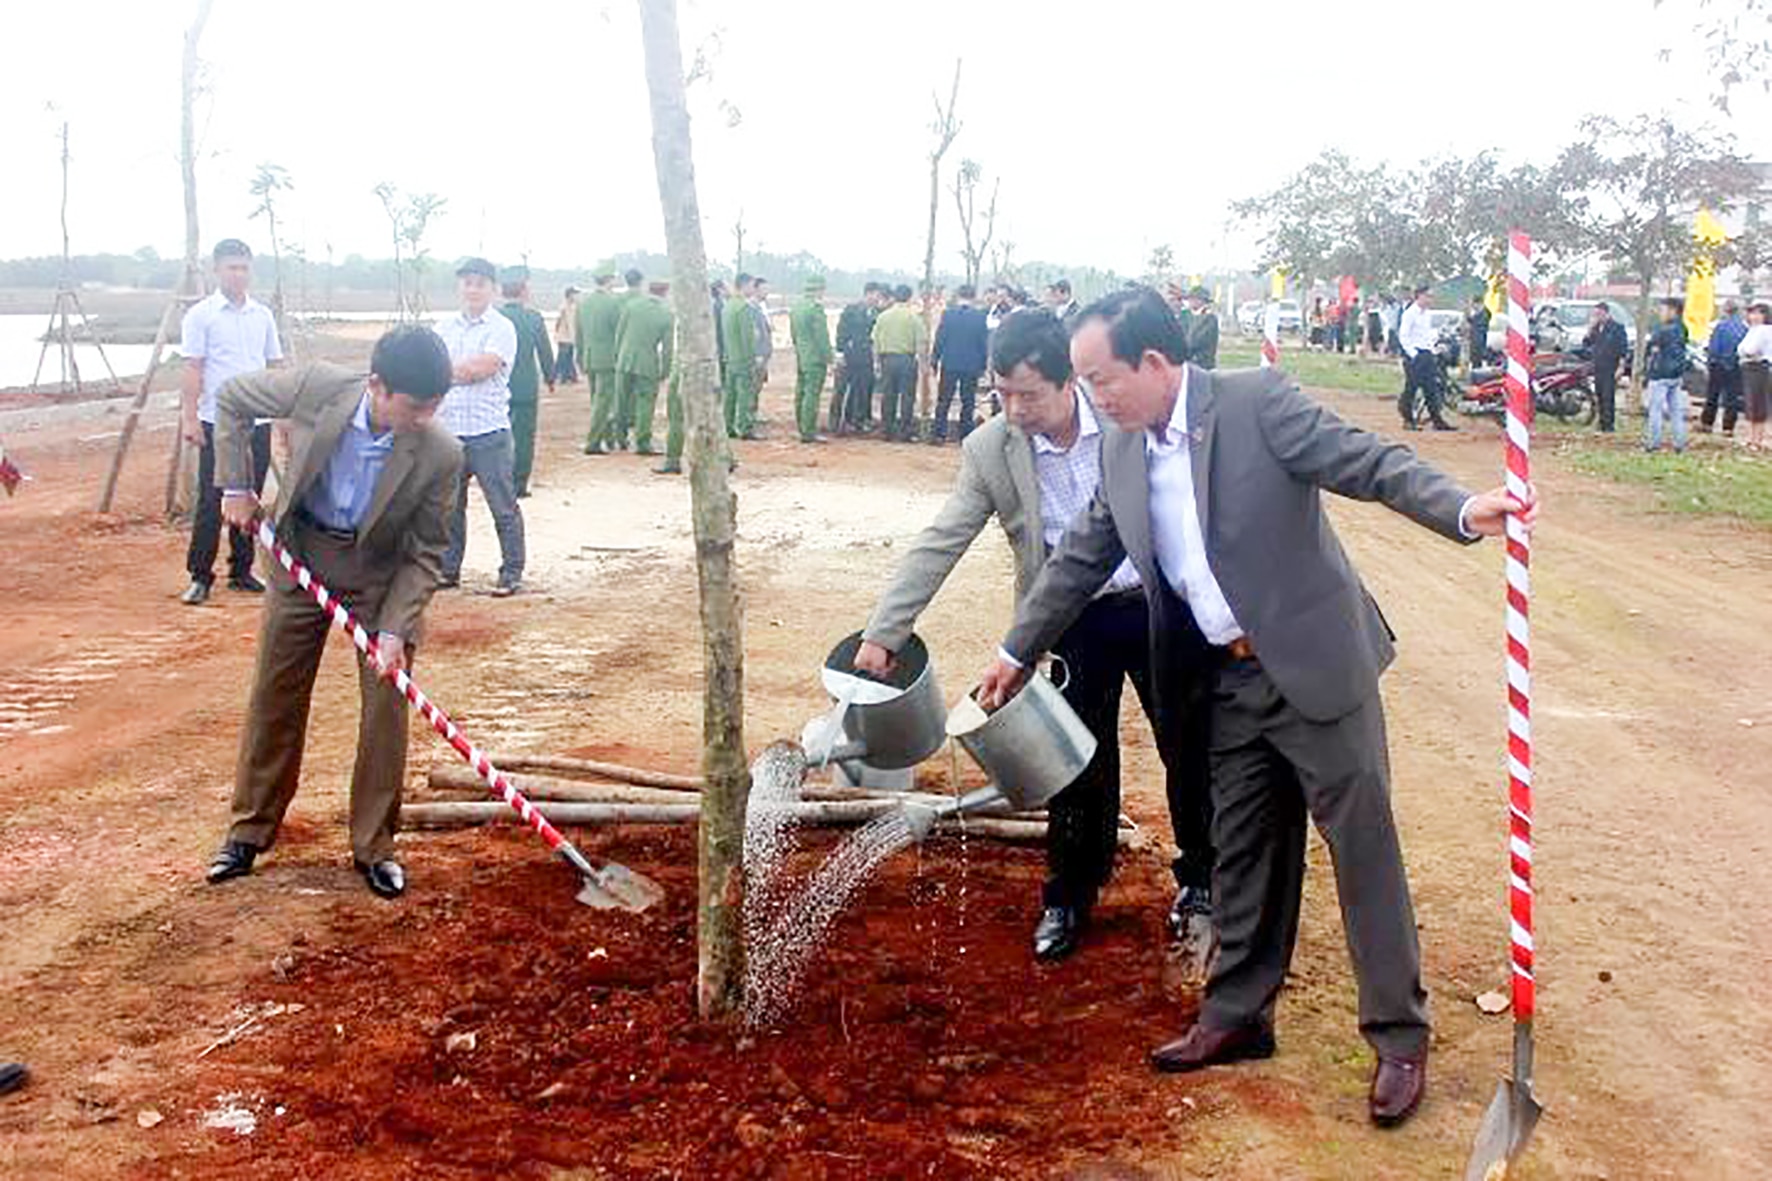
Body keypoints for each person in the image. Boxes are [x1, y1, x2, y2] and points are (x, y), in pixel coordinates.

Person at [975, 287, 1536, 1129]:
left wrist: (1459, 506)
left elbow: (1365, 461)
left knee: (1361, 847)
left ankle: (1398, 1034)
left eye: (1100, 378)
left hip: (1314, 664)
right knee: (1242, 847)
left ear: (1155, 365)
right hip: (1228, 679)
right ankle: (1238, 1012)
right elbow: (1085, 550)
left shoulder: (1256, 404)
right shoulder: (1123, 449)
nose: (1091, 395)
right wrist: (1017, 649)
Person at [856, 308, 1215, 962]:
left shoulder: (1126, 419)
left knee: (1187, 745)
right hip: (1071, 615)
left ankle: (1202, 884)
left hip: (1160, 605)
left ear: (1067, 381)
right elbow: (943, 539)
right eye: (1002, 393)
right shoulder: (991, 448)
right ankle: (1071, 892)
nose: (1014, 407)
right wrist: (887, 629)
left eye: (1029, 393)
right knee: (1075, 760)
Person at [203, 325, 462, 899]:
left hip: (378, 579)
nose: (426, 417)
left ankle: (375, 846)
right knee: (276, 694)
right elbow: (232, 399)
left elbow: (426, 554)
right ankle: (248, 833)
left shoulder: (442, 453)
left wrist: (396, 628)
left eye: (435, 405)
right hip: (301, 558)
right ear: (376, 385)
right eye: (416, 405)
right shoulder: (320, 388)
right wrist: (235, 486)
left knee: (385, 707)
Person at [177, 238, 282, 606]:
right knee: (212, 497)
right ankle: (200, 575)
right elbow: (193, 368)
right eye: (231, 267)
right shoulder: (201, 316)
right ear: (217, 270)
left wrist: (281, 416)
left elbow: (273, 367)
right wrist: (189, 418)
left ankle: (242, 570)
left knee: (251, 494)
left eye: (243, 267)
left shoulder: (262, 316)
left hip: (259, 419)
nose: (238, 275)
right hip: (217, 422)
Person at [436, 258, 524, 596]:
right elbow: (434, 366)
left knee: (502, 505)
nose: (472, 289)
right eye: (467, 282)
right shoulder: (443, 327)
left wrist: (442, 373)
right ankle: (448, 569)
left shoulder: (501, 328)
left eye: (480, 283)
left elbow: (481, 368)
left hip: (489, 432)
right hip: (449, 432)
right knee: (450, 508)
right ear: (459, 286)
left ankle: (511, 571)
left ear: (493, 289)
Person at [498, 268, 555, 499]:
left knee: (498, 435)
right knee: (523, 437)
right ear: (523, 291)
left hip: (498, 386)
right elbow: (544, 351)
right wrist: (550, 377)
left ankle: (499, 481)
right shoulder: (533, 318)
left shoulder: (495, 318)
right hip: (525, 386)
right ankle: (519, 484)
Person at [613, 280, 675, 455]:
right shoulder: (666, 314)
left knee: (621, 401)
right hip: (647, 363)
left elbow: (620, 333)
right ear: (665, 293)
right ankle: (642, 442)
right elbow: (667, 348)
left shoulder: (631, 306)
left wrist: (618, 356)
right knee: (645, 403)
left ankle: (620, 437)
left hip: (624, 359)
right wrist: (665, 370)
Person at [930, 283, 990, 443]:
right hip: (971, 364)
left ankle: (938, 433)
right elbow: (983, 343)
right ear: (974, 297)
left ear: (958, 296)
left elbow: (940, 338)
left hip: (950, 362)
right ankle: (965, 435)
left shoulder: (948, 314)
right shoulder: (980, 317)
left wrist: (935, 359)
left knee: (944, 400)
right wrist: (983, 365)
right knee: (968, 400)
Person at [872, 284, 926, 441]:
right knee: (907, 396)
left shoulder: (883, 317)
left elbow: (875, 342)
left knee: (888, 396)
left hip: (887, 360)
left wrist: (876, 363)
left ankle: (887, 430)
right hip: (907, 360)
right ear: (909, 298)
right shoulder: (914, 317)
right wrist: (923, 364)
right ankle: (904, 431)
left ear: (894, 297)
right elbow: (921, 343)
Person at [1397, 285, 1454, 431]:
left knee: (1431, 388)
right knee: (1411, 388)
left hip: (1427, 354)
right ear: (1419, 296)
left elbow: (1426, 335)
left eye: (1431, 296)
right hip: (1415, 356)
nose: (1430, 299)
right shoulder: (1410, 313)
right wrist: (1414, 354)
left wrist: (1434, 349)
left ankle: (1437, 420)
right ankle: (1408, 420)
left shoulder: (1427, 314)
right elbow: (1403, 336)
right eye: (1428, 296)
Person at [576, 274, 621, 454]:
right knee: (603, 402)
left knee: (597, 400)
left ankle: (608, 438)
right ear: (609, 280)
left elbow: (579, 335)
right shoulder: (612, 303)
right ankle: (593, 442)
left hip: (589, 356)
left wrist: (580, 358)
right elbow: (618, 332)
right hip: (608, 358)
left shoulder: (584, 303)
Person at [1644, 297, 1691, 453]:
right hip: (1676, 374)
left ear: (1673, 311)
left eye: (1663, 310)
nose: (1660, 313)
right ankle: (1679, 443)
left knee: (1655, 410)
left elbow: (1652, 347)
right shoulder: (1683, 328)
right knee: (1676, 411)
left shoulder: (1662, 330)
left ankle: (1653, 443)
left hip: (1660, 373)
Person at [789, 276, 833, 444]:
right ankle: (809, 431)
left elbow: (794, 334)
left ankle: (802, 427)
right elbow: (822, 337)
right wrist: (829, 358)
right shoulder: (815, 309)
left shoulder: (797, 307)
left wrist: (799, 350)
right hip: (815, 358)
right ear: (820, 289)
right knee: (812, 395)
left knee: (800, 392)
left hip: (802, 355)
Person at [834, 283, 881, 433]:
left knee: (864, 389)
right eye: (876, 295)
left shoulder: (876, 313)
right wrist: (840, 352)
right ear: (868, 294)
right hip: (851, 355)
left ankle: (859, 420)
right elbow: (841, 331)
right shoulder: (851, 310)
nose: (877, 299)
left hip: (867, 357)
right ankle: (841, 421)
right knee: (846, 389)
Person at [1701, 300, 1747, 436]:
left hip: (1718, 365)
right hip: (1735, 366)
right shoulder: (1744, 328)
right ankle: (1728, 427)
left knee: (1712, 395)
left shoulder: (1720, 326)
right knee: (1732, 398)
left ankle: (1707, 424)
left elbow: (1714, 348)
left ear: (1725, 310)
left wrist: (1710, 363)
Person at [722, 274, 759, 439]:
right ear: (743, 285)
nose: (753, 289)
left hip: (730, 357)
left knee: (729, 395)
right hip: (743, 358)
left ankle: (727, 426)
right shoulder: (743, 308)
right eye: (752, 285)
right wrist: (753, 358)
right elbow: (747, 338)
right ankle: (745, 427)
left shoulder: (728, 306)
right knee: (745, 394)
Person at [1583, 303, 1629, 433]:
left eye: (1599, 314)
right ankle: (1601, 423)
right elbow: (1586, 343)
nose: (1597, 317)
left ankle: (1609, 426)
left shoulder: (1617, 328)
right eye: (1595, 314)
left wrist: (1621, 367)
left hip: (1611, 366)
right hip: (1598, 366)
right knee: (1599, 395)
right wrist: (1589, 329)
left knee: (1608, 396)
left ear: (1606, 313)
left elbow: (1623, 349)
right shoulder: (1596, 328)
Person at [1737, 301, 1772, 452]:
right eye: (1752, 313)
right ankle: (1750, 438)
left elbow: (1751, 350)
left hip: (1760, 369)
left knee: (1759, 404)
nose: (1754, 316)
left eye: (1758, 313)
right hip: (1749, 369)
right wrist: (1744, 351)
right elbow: (1740, 349)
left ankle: (1757, 440)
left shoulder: (1765, 330)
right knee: (1751, 404)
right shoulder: (1752, 330)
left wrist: (1745, 351)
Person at [750, 277, 773, 425]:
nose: (767, 292)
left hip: (764, 352)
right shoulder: (752, 308)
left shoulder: (762, 306)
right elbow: (754, 333)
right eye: (764, 289)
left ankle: (753, 412)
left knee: (758, 384)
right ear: (756, 289)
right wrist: (757, 353)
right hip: (757, 354)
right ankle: (749, 414)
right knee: (753, 385)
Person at [1184, 286, 1220, 370]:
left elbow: (1196, 341)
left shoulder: (1210, 318)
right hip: (1187, 364)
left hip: (1204, 366)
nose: (1190, 301)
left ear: (1202, 301)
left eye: (1193, 299)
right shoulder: (1185, 317)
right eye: (1189, 299)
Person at [552, 286, 580, 385]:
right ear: (570, 294)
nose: (576, 296)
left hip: (570, 337)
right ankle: (559, 377)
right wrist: (557, 333)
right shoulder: (564, 306)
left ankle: (571, 377)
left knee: (567, 357)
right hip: (564, 337)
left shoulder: (574, 306)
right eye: (574, 294)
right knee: (563, 357)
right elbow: (560, 321)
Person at [1467, 296, 1492, 370]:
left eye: (1473, 304)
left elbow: (1479, 323)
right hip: (1474, 338)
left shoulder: (1484, 313)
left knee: (1479, 356)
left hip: (1480, 338)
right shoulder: (1475, 312)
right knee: (1474, 358)